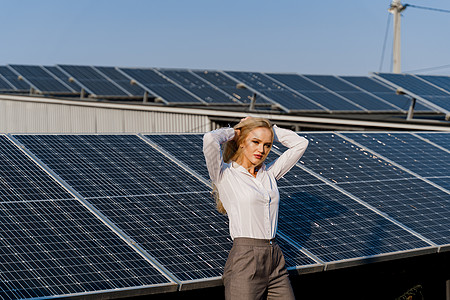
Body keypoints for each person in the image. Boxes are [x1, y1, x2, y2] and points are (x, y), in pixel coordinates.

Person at [203, 116, 309, 300]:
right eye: (255, 141)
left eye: (267, 145)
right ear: (242, 142)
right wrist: (237, 131)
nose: (261, 149)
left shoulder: (269, 174)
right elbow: (210, 139)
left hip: (275, 256)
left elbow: (301, 144)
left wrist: (270, 130)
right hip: (245, 258)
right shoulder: (224, 174)